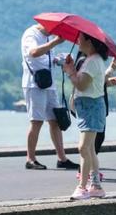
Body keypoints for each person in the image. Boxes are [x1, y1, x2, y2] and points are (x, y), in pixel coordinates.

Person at [21, 23, 79, 170]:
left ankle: (62, 158)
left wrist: (60, 59)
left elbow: (48, 58)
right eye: (55, 31)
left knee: (55, 121)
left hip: (49, 84)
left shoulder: (47, 37)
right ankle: (30, 159)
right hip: (35, 84)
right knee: (36, 121)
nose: (56, 34)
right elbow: (33, 53)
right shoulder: (31, 34)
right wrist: (55, 42)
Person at [63, 33, 110, 199]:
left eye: (80, 38)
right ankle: (96, 186)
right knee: (89, 148)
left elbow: (82, 85)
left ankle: (82, 187)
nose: (77, 41)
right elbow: (81, 82)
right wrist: (72, 70)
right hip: (88, 108)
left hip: (91, 108)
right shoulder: (90, 60)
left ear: (89, 41)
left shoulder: (93, 61)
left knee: (83, 147)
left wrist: (70, 71)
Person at [72, 53, 116, 182]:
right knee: (90, 144)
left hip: (93, 105)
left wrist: (108, 80)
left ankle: (92, 177)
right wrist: (110, 70)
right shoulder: (86, 61)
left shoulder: (92, 61)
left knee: (91, 144)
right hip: (91, 106)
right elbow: (84, 84)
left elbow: (94, 81)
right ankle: (87, 175)